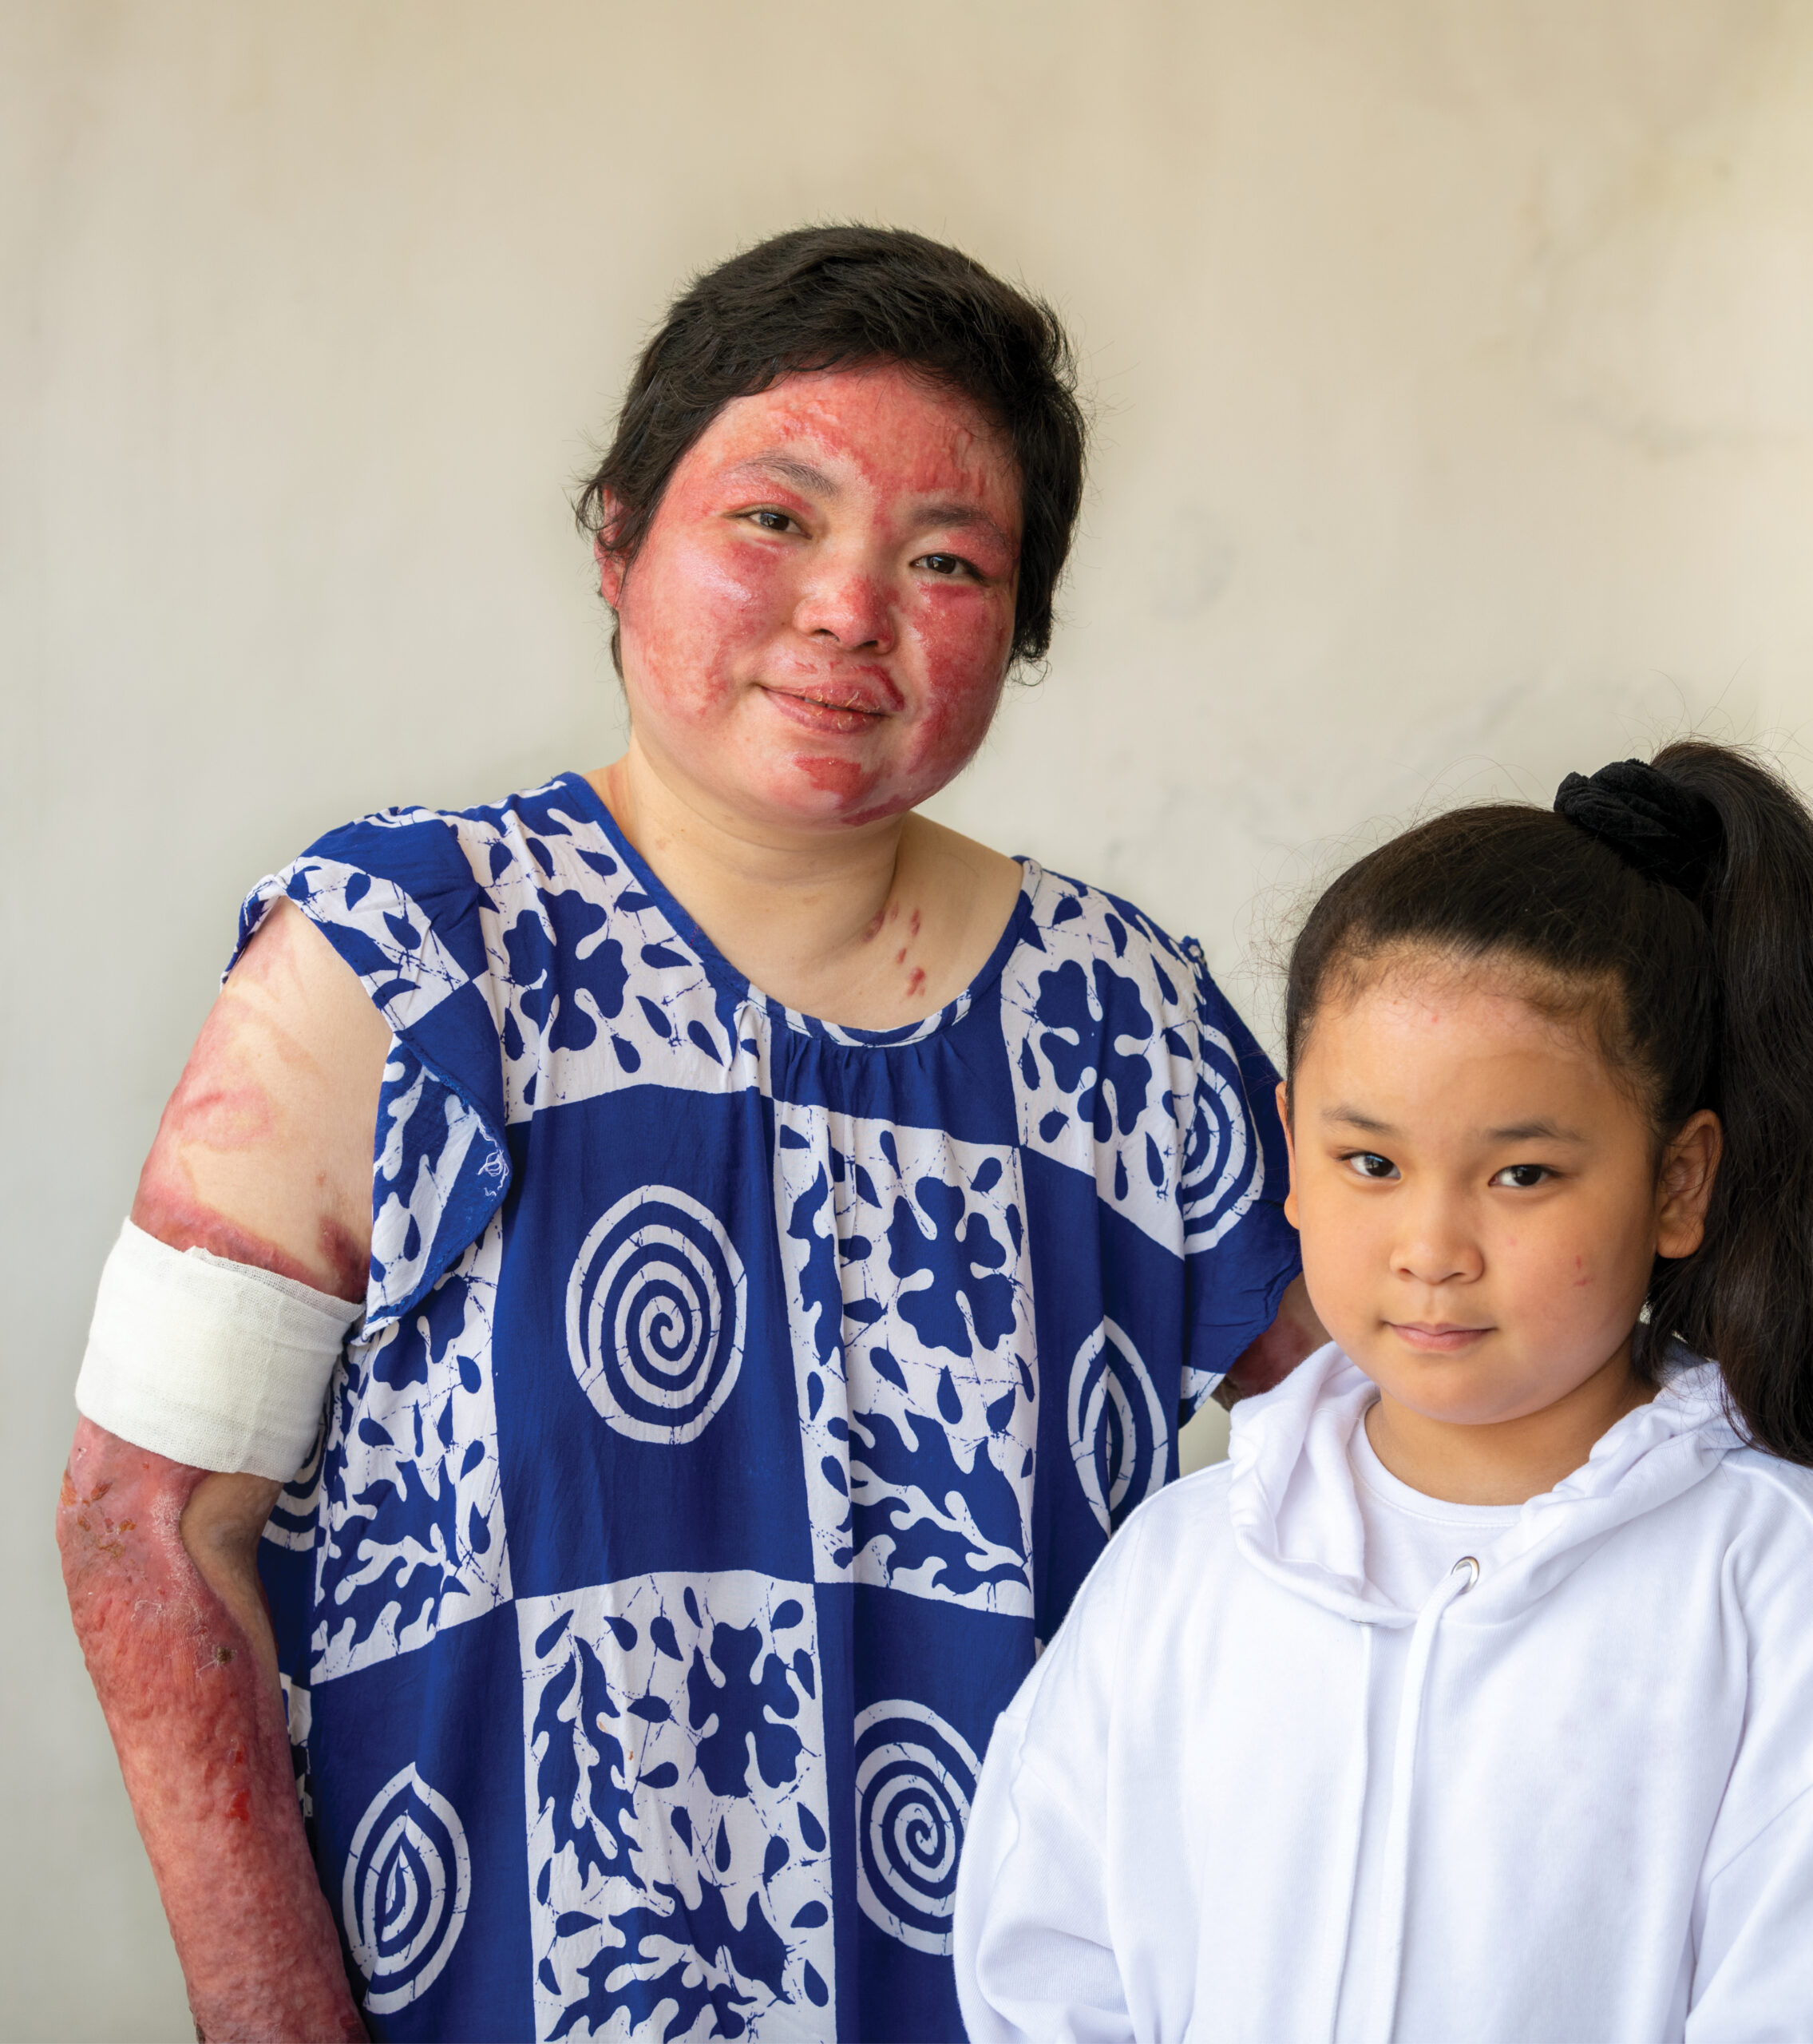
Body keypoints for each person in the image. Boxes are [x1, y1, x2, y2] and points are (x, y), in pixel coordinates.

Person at [57, 226, 1316, 2044]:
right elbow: (147, 1529)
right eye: (775, 519)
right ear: (616, 534)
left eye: (946, 560)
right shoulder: (394, 959)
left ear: (1019, 632)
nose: (846, 609)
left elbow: (1379, 1488)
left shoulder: (1129, 1024)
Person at [956, 739, 1813, 2042]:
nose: (1431, 1247)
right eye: (1369, 1162)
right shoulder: (1181, 1570)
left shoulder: (1769, 1591)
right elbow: (1046, 1961)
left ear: (1678, 1184)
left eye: (1521, 1175)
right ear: (1291, 1153)